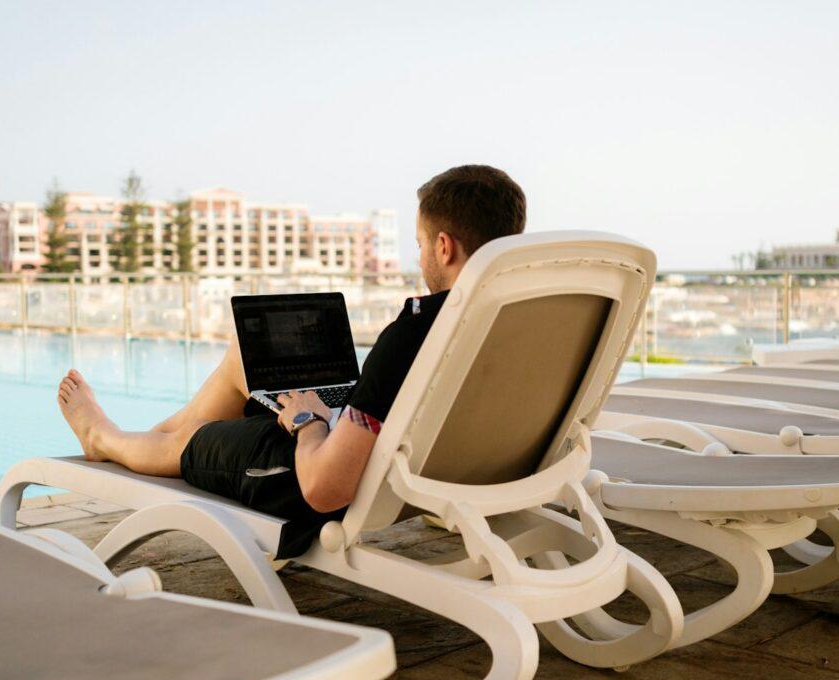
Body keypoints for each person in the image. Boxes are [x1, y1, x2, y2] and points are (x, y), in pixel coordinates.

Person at [57, 164, 527, 557]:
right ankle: (155, 438)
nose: (420, 255)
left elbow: (325, 488)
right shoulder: (525, 324)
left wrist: (309, 421)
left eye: (421, 244)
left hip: (317, 480)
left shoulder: (414, 334)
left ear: (444, 246)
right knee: (245, 359)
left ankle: (109, 439)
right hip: (434, 467)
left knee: (199, 440)